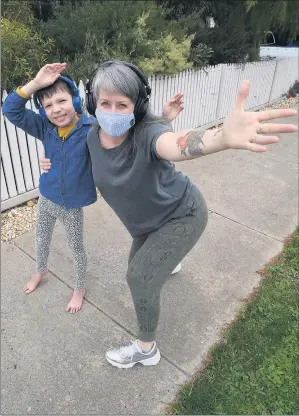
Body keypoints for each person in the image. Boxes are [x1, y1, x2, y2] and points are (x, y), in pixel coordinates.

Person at [40, 60, 297, 368]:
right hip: (144, 226)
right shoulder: (92, 133)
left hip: (181, 215)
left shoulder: (149, 134)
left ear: (137, 106)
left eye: (122, 104)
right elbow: (55, 138)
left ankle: (146, 349)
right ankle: (170, 260)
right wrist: (47, 163)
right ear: (93, 103)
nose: (111, 111)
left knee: (138, 278)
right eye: (105, 103)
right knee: (145, 263)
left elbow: (173, 143)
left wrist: (220, 138)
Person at [2, 63, 183, 314]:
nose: (56, 109)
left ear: (75, 100)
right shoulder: (45, 128)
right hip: (47, 197)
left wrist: (163, 120)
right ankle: (40, 270)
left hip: (72, 205)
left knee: (76, 248)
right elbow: (10, 109)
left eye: (61, 100)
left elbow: (135, 134)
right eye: (48, 105)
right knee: (41, 239)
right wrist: (35, 84)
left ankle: (79, 287)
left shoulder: (93, 128)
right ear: (43, 112)